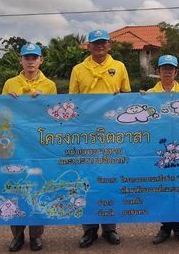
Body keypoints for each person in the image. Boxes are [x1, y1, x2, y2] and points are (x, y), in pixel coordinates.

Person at [69, 29, 131, 248]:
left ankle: (110, 228)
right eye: (95, 42)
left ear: (109, 45)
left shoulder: (119, 67)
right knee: (86, 179)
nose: (99, 46)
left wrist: (119, 99)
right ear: (88, 46)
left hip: (112, 133)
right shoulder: (78, 69)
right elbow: (73, 102)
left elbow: (126, 98)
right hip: (86, 133)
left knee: (110, 178)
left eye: (103, 42)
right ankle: (89, 229)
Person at [2, 43, 57, 252]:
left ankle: (36, 235)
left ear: (41, 60)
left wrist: (43, 101)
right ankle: (17, 235)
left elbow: (55, 115)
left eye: (34, 57)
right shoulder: (10, 83)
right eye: (27, 58)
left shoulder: (49, 85)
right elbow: (2, 112)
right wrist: (5, 101)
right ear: (21, 60)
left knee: (38, 185)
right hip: (16, 142)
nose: (31, 62)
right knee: (16, 185)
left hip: (39, 142)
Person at [140, 55, 179, 245]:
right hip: (159, 146)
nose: (168, 72)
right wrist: (139, 98)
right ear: (159, 72)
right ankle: (164, 227)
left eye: (171, 69)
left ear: (176, 72)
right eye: (164, 68)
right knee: (162, 186)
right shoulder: (150, 94)